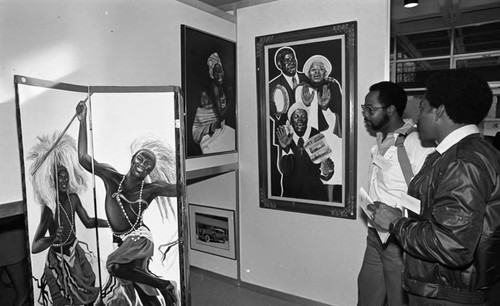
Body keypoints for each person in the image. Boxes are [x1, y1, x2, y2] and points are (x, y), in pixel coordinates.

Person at [370, 70, 500, 305]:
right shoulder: (456, 154)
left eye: (422, 108)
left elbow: (454, 244)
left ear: (438, 110)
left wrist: (396, 222)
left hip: (448, 294)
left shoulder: (464, 161)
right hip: (443, 286)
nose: (417, 117)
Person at [76, 101, 178, 306]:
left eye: (148, 164)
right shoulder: (112, 177)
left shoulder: (151, 189)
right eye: (140, 159)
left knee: (114, 266)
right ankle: (164, 290)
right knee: (142, 288)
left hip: (139, 238)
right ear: (133, 159)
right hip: (122, 241)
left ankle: (166, 285)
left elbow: (180, 189)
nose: (143, 164)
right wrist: (82, 120)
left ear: (150, 171)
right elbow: (83, 158)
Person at [357, 81, 435, 306]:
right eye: (364, 108)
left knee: (398, 301)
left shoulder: (416, 143)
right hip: (375, 237)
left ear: (390, 110)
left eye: (370, 109)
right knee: (367, 294)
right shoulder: (382, 138)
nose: (365, 114)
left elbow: (428, 197)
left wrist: (398, 217)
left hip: (400, 242)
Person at [28, 133, 108, 306]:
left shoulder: (73, 199)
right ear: (53, 180)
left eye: (66, 176)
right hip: (59, 258)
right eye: (60, 177)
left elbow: (87, 221)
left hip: (75, 250)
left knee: (90, 281)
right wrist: (52, 238)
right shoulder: (49, 207)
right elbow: (35, 247)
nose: (64, 180)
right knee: (67, 299)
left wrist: (109, 223)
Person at [276, 102, 335, 201]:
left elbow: (326, 169)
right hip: (292, 196)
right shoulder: (284, 137)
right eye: (296, 116)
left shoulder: (315, 135)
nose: (300, 120)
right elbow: (284, 170)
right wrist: (285, 147)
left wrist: (326, 171)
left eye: (303, 116)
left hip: (315, 195)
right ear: (291, 120)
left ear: (307, 119)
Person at [296, 54, 342, 137]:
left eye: (321, 69)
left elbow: (340, 114)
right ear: (308, 74)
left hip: (331, 134)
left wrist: (324, 108)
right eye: (313, 70)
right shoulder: (303, 89)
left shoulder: (332, 86)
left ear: (325, 73)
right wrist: (307, 105)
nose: (317, 72)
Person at [192, 89, 234, 154]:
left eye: (205, 98)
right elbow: (195, 134)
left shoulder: (216, 109)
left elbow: (221, 121)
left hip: (223, 134)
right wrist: (210, 127)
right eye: (201, 98)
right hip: (209, 143)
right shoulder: (200, 112)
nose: (202, 100)